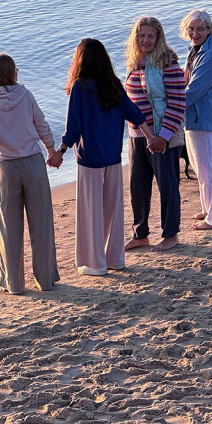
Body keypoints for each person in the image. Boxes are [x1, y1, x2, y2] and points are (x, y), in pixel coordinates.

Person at [48, 39, 159, 276]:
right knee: (112, 210)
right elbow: (135, 114)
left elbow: (73, 127)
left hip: (90, 159)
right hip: (113, 158)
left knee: (92, 212)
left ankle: (96, 264)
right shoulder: (114, 85)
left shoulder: (80, 87)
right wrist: (150, 137)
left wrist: (60, 152)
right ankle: (115, 259)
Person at [0, 54, 60, 294]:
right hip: (33, 164)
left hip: (6, 167)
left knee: (9, 227)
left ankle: (14, 284)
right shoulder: (25, 94)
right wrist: (52, 150)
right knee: (41, 224)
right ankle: (45, 280)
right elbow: (41, 124)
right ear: (13, 72)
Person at [123, 16, 186, 251]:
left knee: (167, 186)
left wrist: (163, 136)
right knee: (137, 187)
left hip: (162, 135)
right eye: (141, 36)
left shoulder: (167, 63)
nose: (146, 40)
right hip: (137, 135)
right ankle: (140, 234)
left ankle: (171, 235)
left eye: (151, 36)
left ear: (159, 37)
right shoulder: (134, 61)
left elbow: (178, 103)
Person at [179, 10, 212, 230]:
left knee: (207, 168)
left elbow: (194, 90)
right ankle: (208, 209)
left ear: (209, 29)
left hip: (204, 118)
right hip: (194, 117)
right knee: (199, 167)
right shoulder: (196, 51)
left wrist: (168, 106)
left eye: (200, 29)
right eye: (191, 29)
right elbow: (185, 80)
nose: (195, 33)